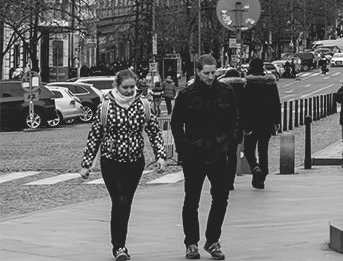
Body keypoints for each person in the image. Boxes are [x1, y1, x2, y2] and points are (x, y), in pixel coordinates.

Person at [80, 68, 167, 261]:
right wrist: (86, 164)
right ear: (117, 86)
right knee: (119, 200)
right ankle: (119, 247)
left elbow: (154, 132)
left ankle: (120, 244)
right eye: (125, 87)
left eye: (132, 87)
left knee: (125, 202)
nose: (129, 91)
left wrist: (161, 156)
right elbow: (95, 136)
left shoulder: (143, 104)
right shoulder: (106, 106)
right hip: (111, 161)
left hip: (135, 162)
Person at [171, 55, 240, 261]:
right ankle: (191, 242)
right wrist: (183, 150)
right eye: (206, 73)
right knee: (191, 200)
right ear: (198, 72)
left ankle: (212, 240)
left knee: (220, 198)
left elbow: (234, 119)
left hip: (218, 152)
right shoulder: (186, 95)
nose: (210, 77)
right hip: (194, 153)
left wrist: (228, 142)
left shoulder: (226, 92)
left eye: (213, 73)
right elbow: (176, 124)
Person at [240, 58, 281, 189]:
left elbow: (244, 107)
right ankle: (262, 175)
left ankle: (255, 167)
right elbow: (276, 103)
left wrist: (244, 124)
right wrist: (276, 121)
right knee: (263, 150)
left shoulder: (247, 84)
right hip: (267, 122)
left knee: (248, 149)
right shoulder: (270, 83)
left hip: (251, 122)